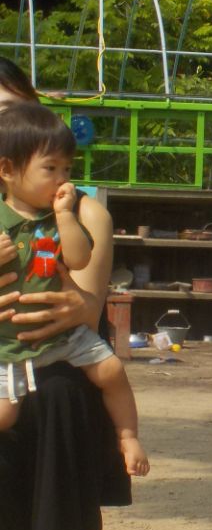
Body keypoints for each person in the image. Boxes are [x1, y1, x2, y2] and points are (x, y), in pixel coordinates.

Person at [0, 61, 132, 530]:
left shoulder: (81, 211)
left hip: (56, 351)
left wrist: (68, 300)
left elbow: (85, 304)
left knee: (59, 389)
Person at [0, 102, 148, 476]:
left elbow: (80, 259)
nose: (62, 180)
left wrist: (65, 217)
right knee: (5, 414)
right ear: (7, 170)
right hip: (9, 341)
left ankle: (128, 435)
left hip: (64, 336)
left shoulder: (59, 216)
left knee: (111, 370)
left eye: (67, 169)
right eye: (50, 169)